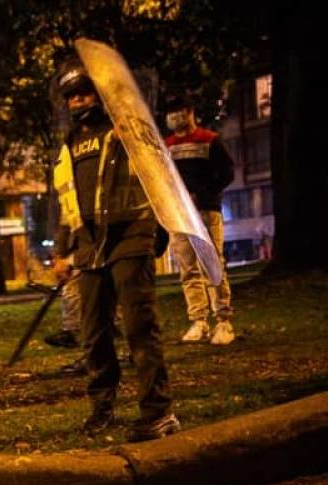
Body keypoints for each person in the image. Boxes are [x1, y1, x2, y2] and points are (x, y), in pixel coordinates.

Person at [51, 59, 180, 442]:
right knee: (94, 334)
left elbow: (159, 176)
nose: (78, 101)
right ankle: (102, 409)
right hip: (90, 249)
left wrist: (158, 231)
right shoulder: (68, 146)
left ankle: (159, 412)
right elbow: (66, 203)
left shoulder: (126, 130)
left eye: (85, 92)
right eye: (72, 96)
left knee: (140, 328)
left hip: (131, 237)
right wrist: (61, 252)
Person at [163, 93, 237, 345]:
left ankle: (223, 321)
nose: (173, 116)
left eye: (178, 110)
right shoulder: (167, 145)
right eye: (170, 112)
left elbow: (227, 173)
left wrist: (203, 194)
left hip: (206, 211)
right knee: (188, 269)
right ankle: (198, 321)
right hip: (179, 215)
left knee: (213, 264)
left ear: (190, 112)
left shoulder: (209, 140)